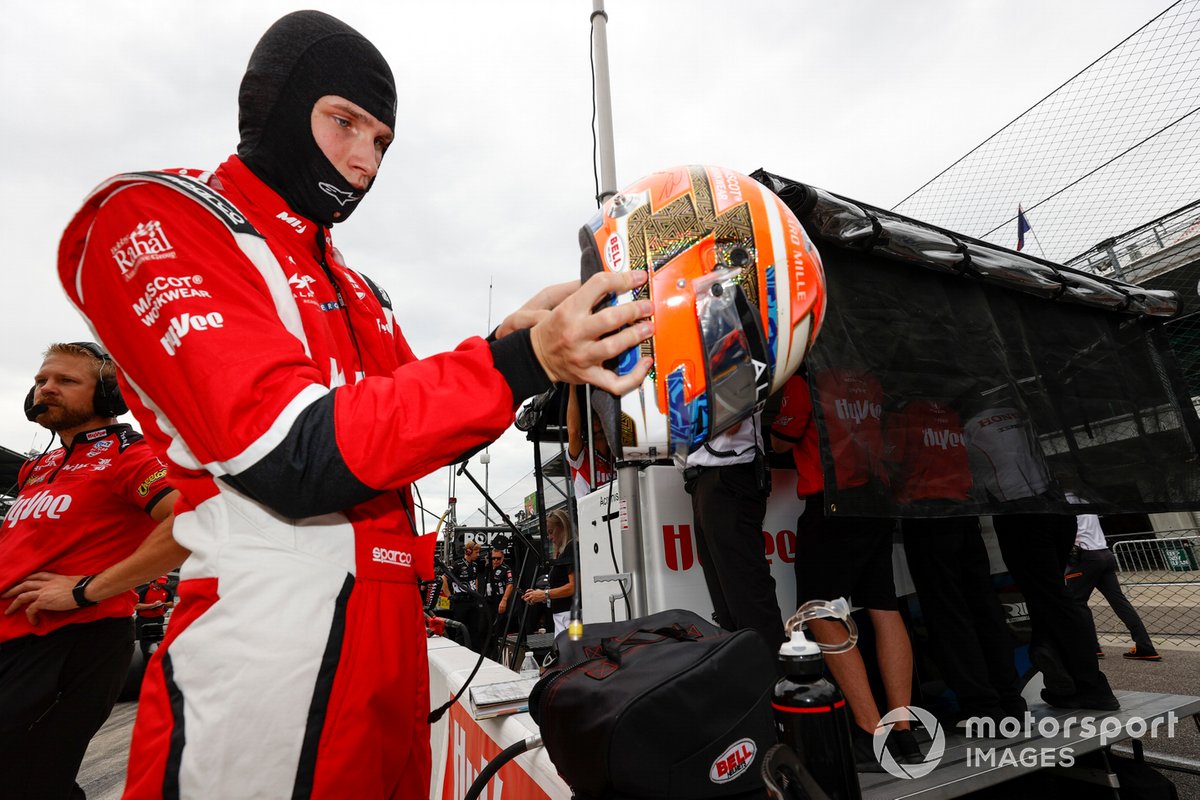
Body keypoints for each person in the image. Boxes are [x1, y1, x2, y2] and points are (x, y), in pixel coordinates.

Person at [54, 11, 653, 798]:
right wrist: (521, 358)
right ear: (272, 103)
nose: (363, 163)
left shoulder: (359, 288)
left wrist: (514, 339)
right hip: (268, 643)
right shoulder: (162, 217)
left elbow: (413, 424)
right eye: (345, 124)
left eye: (382, 142)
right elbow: (291, 455)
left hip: (391, 634)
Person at [0, 342, 178, 800]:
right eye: (41, 380)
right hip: (14, 639)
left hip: (73, 639)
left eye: (65, 381)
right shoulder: (38, 467)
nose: (46, 389)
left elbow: (193, 520)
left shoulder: (131, 454)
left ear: (107, 394)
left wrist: (84, 590)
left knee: (30, 781)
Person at [771, 369, 921, 770]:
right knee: (883, 606)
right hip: (876, 500)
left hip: (832, 502)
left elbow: (780, 440)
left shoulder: (805, 381)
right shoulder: (870, 381)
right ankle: (904, 730)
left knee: (818, 611)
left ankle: (873, 734)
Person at [682, 411, 784, 647]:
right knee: (727, 609)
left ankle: (774, 679)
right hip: (704, 481)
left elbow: (732, 422)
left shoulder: (723, 371)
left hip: (728, 474)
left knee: (749, 602)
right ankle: (749, 678)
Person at [1065, 513, 1161, 661]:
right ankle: (1145, 645)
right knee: (1119, 601)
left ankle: (1091, 647)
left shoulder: (1061, 504)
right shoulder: (1085, 500)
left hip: (1084, 556)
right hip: (1105, 552)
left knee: (1076, 602)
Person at [523, 508, 577, 637]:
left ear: (562, 527)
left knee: (574, 653)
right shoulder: (563, 552)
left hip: (572, 616)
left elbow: (574, 586)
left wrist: (544, 594)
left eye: (551, 532)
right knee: (568, 653)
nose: (550, 537)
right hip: (564, 616)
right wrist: (539, 595)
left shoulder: (571, 548)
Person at [566, 384, 616, 497]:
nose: (597, 418)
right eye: (593, 415)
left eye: (600, 414)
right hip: (591, 514)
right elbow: (574, 432)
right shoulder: (582, 458)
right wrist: (572, 386)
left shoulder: (618, 454)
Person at [134, 576, 175, 659]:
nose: (160, 585)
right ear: (154, 581)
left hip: (158, 619)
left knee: (157, 641)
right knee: (142, 642)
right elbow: (136, 606)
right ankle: (143, 661)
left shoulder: (167, 590)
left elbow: (171, 603)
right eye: (159, 582)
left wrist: (163, 604)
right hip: (143, 620)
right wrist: (152, 606)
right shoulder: (143, 591)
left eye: (163, 583)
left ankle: (155, 660)